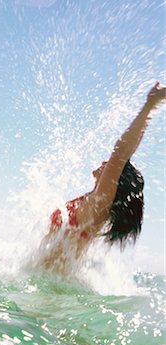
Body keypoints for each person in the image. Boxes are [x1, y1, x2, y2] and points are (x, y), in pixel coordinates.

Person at [41, 82, 166, 271]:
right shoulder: (94, 203)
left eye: (112, 168)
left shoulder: (99, 205)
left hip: (51, 287)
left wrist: (149, 106)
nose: (106, 163)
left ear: (118, 181)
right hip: (50, 282)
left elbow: (120, 153)